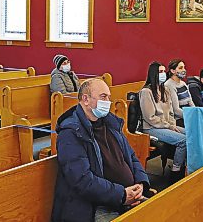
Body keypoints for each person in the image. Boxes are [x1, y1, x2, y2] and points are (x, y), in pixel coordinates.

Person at [51, 78, 150, 222]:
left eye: (109, 97)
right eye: (103, 97)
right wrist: (122, 195)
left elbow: (132, 157)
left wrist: (141, 183)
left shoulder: (111, 124)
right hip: (96, 205)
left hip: (125, 196)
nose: (108, 102)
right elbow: (82, 180)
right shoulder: (71, 133)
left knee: (165, 210)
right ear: (85, 99)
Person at [139, 62, 186, 180]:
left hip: (165, 125)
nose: (163, 74)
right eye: (160, 72)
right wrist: (169, 126)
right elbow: (150, 117)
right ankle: (176, 171)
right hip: (151, 127)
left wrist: (172, 124)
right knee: (183, 141)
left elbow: (171, 112)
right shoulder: (146, 92)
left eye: (164, 71)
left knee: (191, 135)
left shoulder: (165, 89)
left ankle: (186, 167)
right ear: (153, 74)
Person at [164, 59, 194, 128]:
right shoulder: (169, 85)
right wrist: (191, 117)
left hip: (188, 115)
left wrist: (195, 113)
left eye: (184, 67)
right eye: (180, 68)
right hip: (179, 119)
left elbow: (190, 101)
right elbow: (176, 110)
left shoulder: (183, 83)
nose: (184, 70)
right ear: (173, 71)